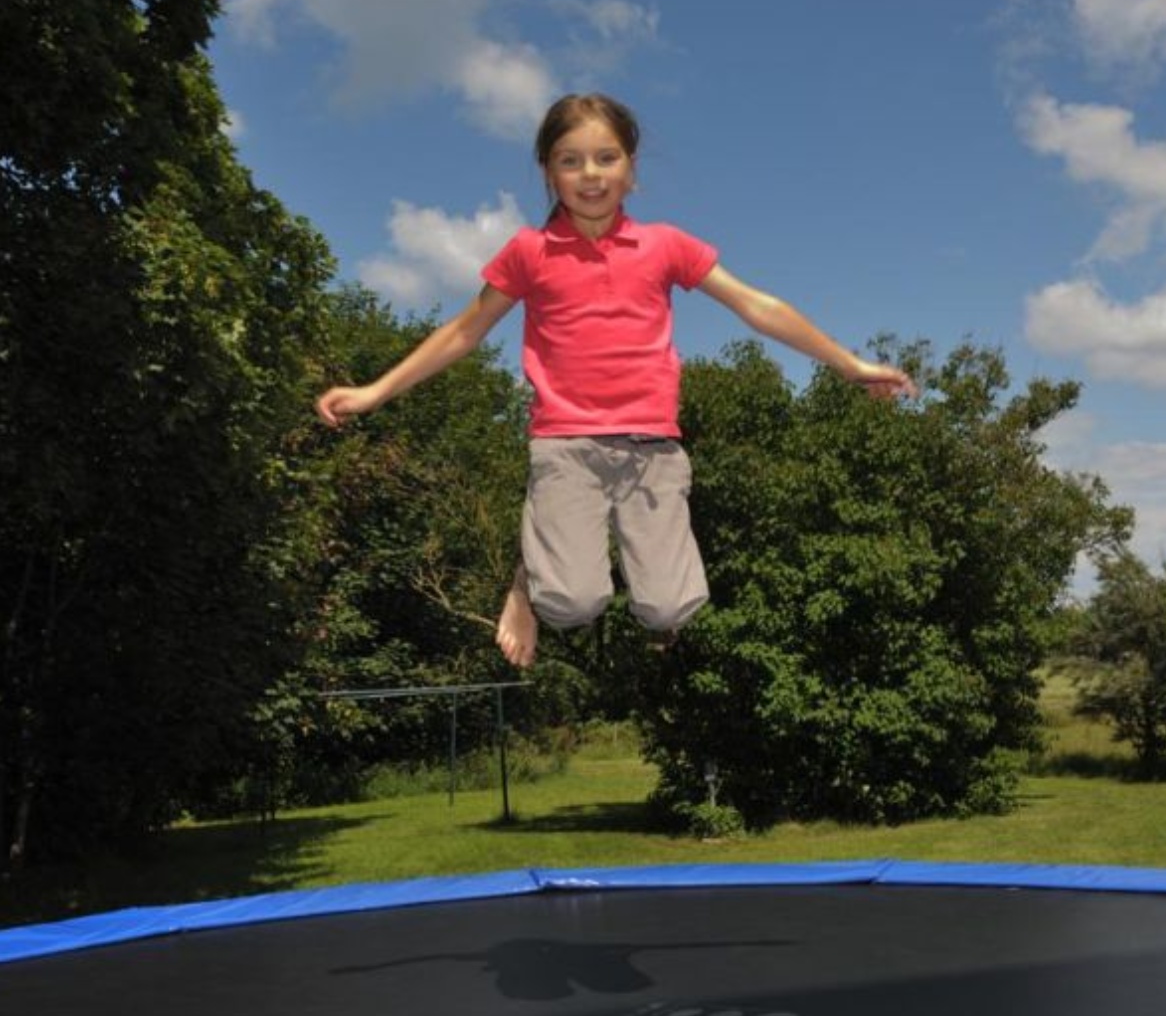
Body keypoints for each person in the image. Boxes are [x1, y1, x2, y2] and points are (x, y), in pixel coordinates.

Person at [316, 93, 915, 668]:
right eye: (570, 161)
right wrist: (376, 391)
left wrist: (848, 363)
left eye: (607, 158)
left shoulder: (664, 246)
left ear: (631, 169)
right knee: (572, 604)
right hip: (566, 445)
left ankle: (649, 605)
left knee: (670, 607)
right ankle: (528, 581)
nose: (590, 174)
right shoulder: (529, 252)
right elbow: (463, 332)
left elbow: (755, 306)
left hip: (651, 447)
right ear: (549, 174)